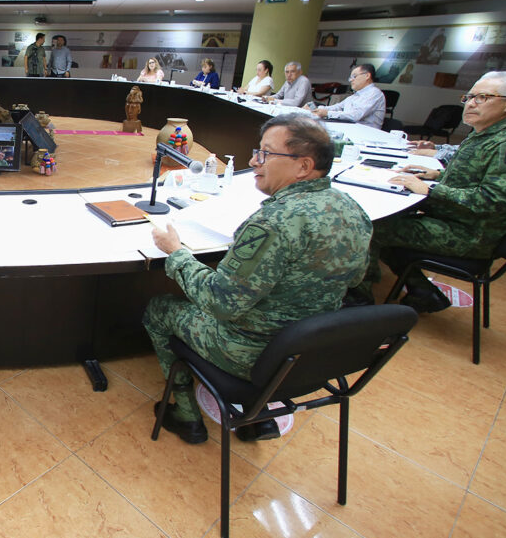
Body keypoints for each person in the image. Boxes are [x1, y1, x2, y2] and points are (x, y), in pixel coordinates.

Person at [144, 112, 370, 444]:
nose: (254, 160)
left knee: (160, 308)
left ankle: (185, 414)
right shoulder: (351, 209)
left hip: (253, 354)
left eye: (265, 153)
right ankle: (260, 412)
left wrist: (176, 252)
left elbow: (219, 303)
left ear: (303, 166)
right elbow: (356, 278)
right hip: (312, 351)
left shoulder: (274, 222)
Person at [347, 72, 506, 313]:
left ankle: (359, 301)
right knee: (388, 221)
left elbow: (495, 200)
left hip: (470, 233)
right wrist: (436, 175)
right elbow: (475, 176)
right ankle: (424, 293)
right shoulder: (487, 133)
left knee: (370, 227)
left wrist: (431, 189)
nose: (471, 103)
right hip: (456, 218)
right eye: (469, 97)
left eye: (483, 97)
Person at [311, 63, 385, 129]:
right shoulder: (356, 95)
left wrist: (327, 113)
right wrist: (314, 109)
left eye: (354, 76)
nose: (351, 80)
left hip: (366, 134)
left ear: (367, 76)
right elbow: (337, 107)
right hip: (351, 129)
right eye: (350, 78)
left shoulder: (374, 93)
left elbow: (355, 115)